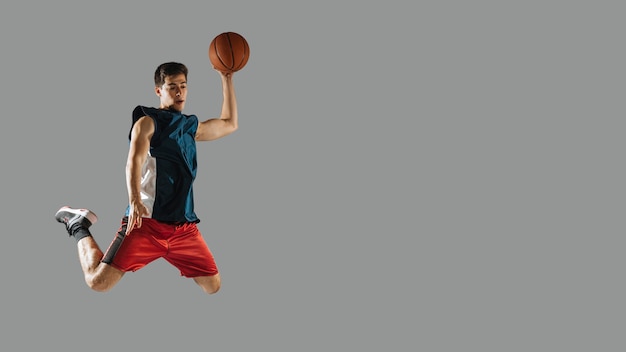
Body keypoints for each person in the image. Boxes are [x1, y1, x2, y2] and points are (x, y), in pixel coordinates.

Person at [55, 62, 238, 295]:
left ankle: (173, 251)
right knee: (98, 282)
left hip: (183, 229)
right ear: (159, 91)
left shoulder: (190, 128)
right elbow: (134, 160)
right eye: (172, 87)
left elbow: (229, 123)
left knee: (213, 286)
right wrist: (133, 200)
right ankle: (78, 224)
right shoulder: (148, 122)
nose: (179, 92)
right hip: (146, 222)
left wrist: (226, 77)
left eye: (183, 86)